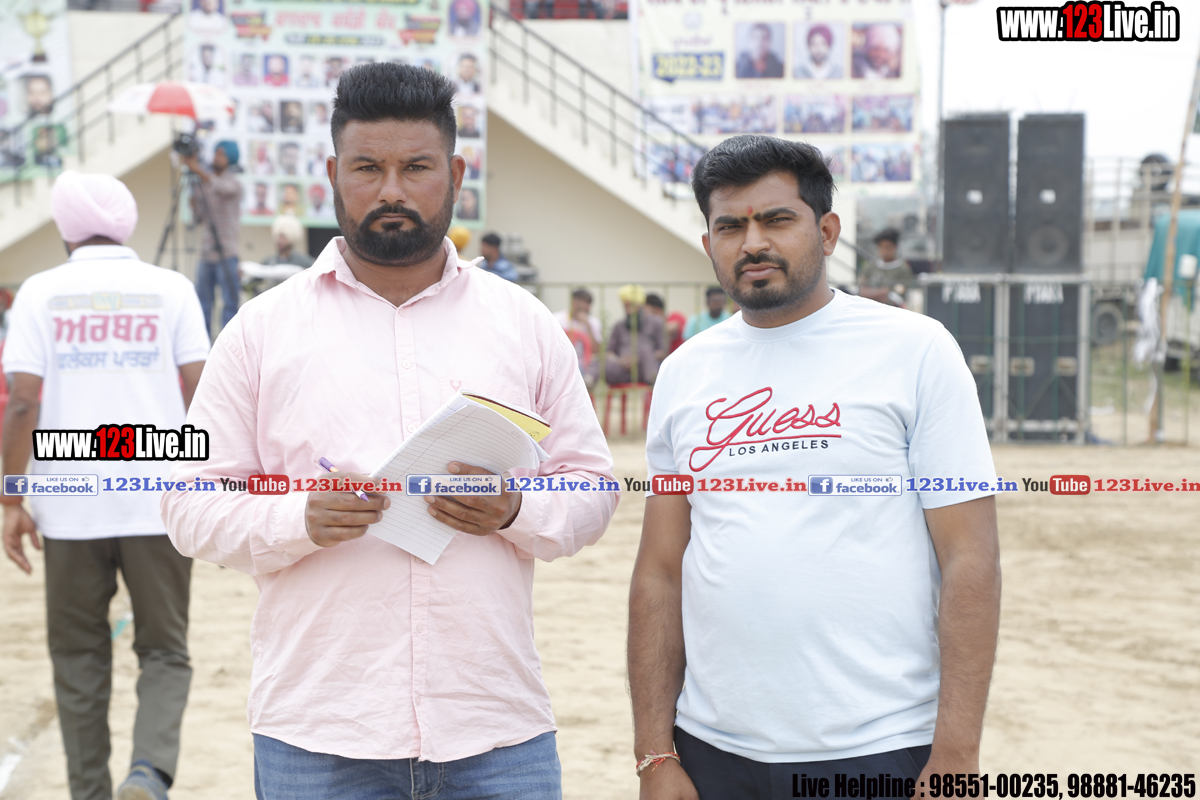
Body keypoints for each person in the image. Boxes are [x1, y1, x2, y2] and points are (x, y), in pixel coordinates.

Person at [159, 62, 618, 800]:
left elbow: (592, 488)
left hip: (494, 727)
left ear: (456, 174)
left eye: (417, 168)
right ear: (333, 174)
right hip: (319, 732)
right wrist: (296, 519)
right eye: (368, 168)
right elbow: (188, 503)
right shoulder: (261, 331)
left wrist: (515, 508)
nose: (392, 191)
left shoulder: (523, 324)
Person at [628, 134, 1001, 800]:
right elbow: (660, 570)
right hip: (714, 752)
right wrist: (655, 753)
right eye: (730, 226)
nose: (753, 243)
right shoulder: (684, 373)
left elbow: (970, 557)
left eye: (776, 219)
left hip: (879, 748)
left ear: (827, 232)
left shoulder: (915, 350)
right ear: (709, 242)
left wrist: (956, 753)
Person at [2, 171, 209, 800]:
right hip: (158, 498)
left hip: (67, 505)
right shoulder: (171, 289)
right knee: (165, 650)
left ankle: (89, 792)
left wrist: (11, 496)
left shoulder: (39, 293)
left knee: (78, 658)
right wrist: (210, 480)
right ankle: (148, 772)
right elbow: (203, 391)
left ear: (65, 228)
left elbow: (22, 403)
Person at [182, 140, 244, 338]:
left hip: (227, 253)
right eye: (215, 153)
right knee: (203, 305)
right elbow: (198, 218)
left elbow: (221, 188)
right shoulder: (205, 182)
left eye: (221, 154)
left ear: (230, 158)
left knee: (229, 305)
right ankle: (204, 346)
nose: (216, 157)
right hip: (206, 253)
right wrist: (194, 197)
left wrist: (197, 169)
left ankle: (229, 347)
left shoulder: (233, 182)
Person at [605, 284, 665, 385]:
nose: (628, 310)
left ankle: (654, 383)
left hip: (645, 367)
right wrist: (620, 361)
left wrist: (639, 357)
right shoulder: (618, 326)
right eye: (625, 306)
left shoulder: (657, 323)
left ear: (641, 305)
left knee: (646, 351)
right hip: (622, 368)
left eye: (631, 306)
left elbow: (662, 352)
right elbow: (609, 353)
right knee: (599, 362)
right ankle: (588, 381)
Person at [554, 288, 602, 389]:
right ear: (573, 302)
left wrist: (587, 326)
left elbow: (597, 351)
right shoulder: (558, 319)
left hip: (585, 365)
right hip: (562, 361)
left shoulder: (593, 322)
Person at [859, 227, 914, 307]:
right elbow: (861, 290)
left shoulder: (903, 269)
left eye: (888, 247)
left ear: (895, 247)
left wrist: (872, 293)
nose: (885, 251)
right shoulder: (870, 266)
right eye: (881, 247)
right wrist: (883, 292)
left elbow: (897, 297)